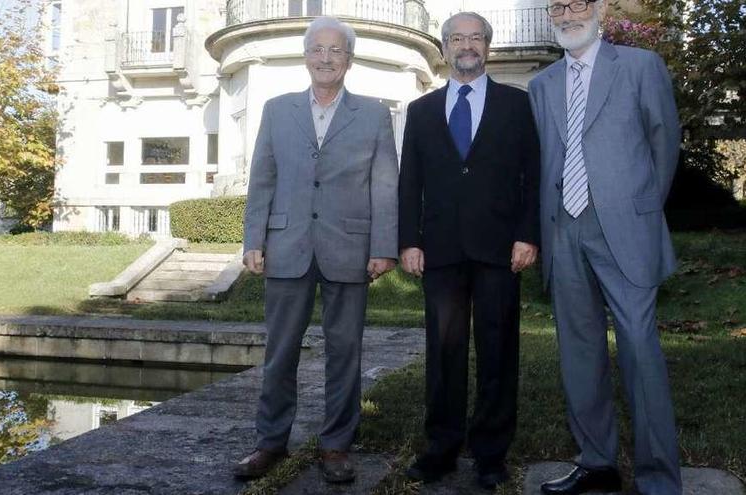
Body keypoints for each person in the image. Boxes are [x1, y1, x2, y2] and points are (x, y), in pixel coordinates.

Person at [232, 16, 399, 484]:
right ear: (306, 56)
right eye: (317, 49)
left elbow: (385, 185)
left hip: (350, 247)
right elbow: (262, 177)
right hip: (287, 245)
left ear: (350, 59)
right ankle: (270, 443)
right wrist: (254, 239)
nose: (326, 58)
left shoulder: (374, 114)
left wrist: (384, 246)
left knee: (345, 351)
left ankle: (336, 446)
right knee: (280, 351)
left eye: (336, 50)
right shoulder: (276, 108)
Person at [527, 1, 682, 493]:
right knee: (579, 350)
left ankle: (658, 477)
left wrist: (639, 208)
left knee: (639, 347)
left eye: (578, 3)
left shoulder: (640, 66)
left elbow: (664, 140)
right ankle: (597, 463)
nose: (568, 13)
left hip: (625, 229)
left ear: (597, 9)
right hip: (563, 231)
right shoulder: (541, 84)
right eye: (558, 6)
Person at [398, 11, 540, 491]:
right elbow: (408, 183)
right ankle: (440, 448)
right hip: (438, 249)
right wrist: (408, 240)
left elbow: (532, 176)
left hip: (501, 249)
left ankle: (491, 455)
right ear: (444, 48)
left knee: (499, 351)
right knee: (443, 352)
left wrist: (528, 234)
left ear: (488, 45)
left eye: (475, 37)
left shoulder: (518, 106)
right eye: (457, 38)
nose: (466, 45)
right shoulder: (420, 112)